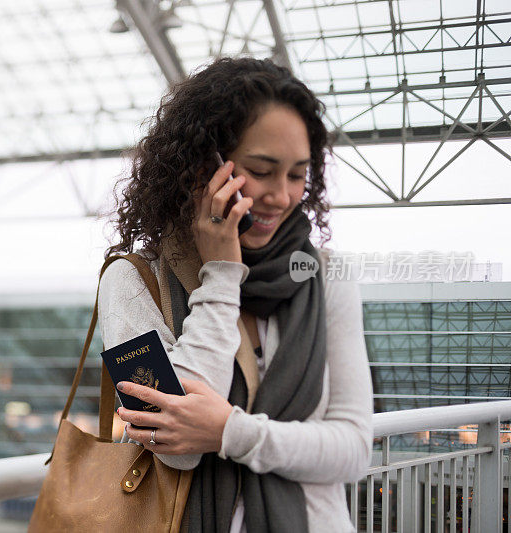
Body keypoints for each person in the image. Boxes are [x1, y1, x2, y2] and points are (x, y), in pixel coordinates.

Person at [97, 57, 373, 533]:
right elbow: (170, 445)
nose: (283, 196)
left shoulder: (326, 276)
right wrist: (221, 276)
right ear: (204, 167)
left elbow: (352, 449)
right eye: (262, 171)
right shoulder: (129, 281)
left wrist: (229, 431)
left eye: (296, 174)